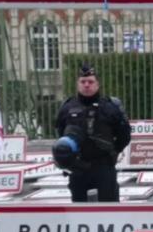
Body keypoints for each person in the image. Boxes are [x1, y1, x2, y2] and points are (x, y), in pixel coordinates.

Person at [53, 65, 131, 202]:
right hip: (77, 167)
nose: (87, 85)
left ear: (97, 84)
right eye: (83, 82)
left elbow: (124, 135)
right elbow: (61, 133)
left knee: (109, 209)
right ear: (77, 84)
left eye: (90, 82)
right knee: (79, 211)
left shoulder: (110, 107)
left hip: (103, 166)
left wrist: (114, 152)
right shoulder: (67, 107)